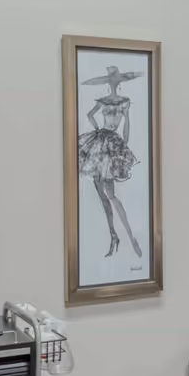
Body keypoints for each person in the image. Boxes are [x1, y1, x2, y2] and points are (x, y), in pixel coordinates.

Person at [78, 67, 142, 259]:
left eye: (114, 79)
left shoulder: (124, 101)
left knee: (111, 195)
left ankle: (127, 235)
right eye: (110, 79)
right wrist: (98, 129)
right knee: (104, 195)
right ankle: (114, 235)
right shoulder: (104, 101)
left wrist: (123, 143)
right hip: (102, 141)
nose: (112, 82)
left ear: (118, 82)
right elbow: (90, 115)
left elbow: (127, 124)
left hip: (110, 144)